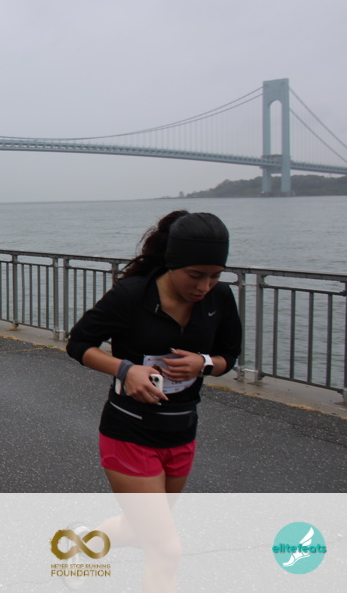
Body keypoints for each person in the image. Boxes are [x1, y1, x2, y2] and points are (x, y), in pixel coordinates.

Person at [65, 210, 241, 591]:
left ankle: (84, 542)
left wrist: (204, 363)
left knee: (141, 531)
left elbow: (229, 355)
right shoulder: (132, 296)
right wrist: (125, 370)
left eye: (215, 275)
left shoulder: (220, 299)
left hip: (181, 432)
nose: (205, 286)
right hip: (129, 433)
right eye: (195, 275)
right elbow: (78, 344)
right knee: (166, 550)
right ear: (173, 262)